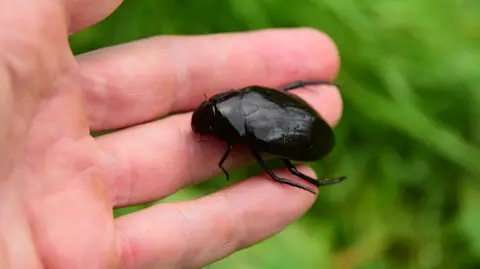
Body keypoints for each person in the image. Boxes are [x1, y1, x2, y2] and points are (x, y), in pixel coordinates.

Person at [0, 1, 343, 268]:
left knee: (274, 170)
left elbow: (240, 139)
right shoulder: (247, 102)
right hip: (297, 123)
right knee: (275, 170)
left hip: (304, 129)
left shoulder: (246, 122)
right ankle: (315, 180)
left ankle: (314, 181)